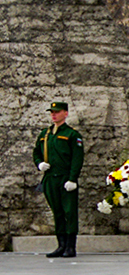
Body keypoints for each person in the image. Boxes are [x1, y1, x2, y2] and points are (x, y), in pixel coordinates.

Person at [33, 100, 84, 259]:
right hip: (50, 178)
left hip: (65, 178)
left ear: (65, 113)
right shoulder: (45, 134)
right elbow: (36, 152)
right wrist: (39, 163)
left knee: (69, 211)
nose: (54, 115)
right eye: (52, 112)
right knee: (57, 212)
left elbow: (77, 158)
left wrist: (72, 179)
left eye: (57, 112)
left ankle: (70, 246)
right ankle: (61, 245)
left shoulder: (72, 134)